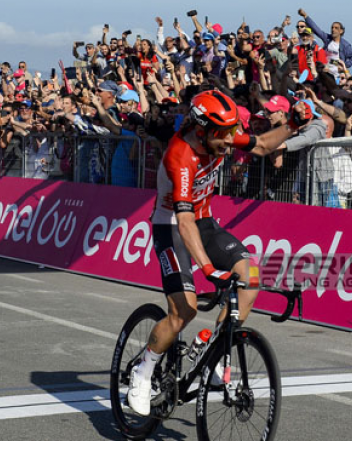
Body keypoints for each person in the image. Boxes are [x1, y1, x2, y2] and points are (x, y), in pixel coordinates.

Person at [127, 89, 310, 416]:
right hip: (171, 225)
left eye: (231, 134)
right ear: (202, 130)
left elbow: (266, 145)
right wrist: (209, 268)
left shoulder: (221, 136)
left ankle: (217, 355)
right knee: (185, 311)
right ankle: (143, 371)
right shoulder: (179, 155)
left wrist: (294, 123)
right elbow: (183, 221)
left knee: (250, 276)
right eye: (223, 136)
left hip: (205, 221)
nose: (230, 142)